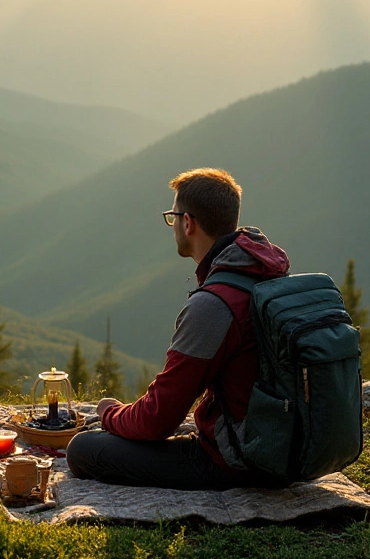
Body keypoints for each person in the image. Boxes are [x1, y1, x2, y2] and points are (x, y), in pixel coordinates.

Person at [65, 167, 289, 489]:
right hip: (279, 444)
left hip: (237, 462)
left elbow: (157, 420)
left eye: (173, 217)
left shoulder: (213, 306)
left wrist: (109, 413)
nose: (173, 227)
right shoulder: (265, 274)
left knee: (84, 450)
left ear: (188, 223)